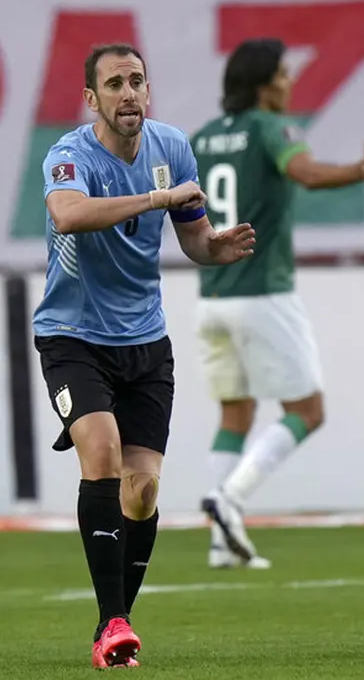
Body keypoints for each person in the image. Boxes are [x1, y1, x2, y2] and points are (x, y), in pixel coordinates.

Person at [34, 43, 255, 668]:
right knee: (100, 455)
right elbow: (68, 215)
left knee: (144, 492)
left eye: (136, 81)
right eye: (113, 84)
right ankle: (112, 623)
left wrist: (218, 247)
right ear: (91, 99)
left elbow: (192, 242)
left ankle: (115, 626)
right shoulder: (70, 156)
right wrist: (155, 201)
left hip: (145, 343)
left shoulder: (171, 148)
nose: (127, 93)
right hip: (72, 335)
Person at [192, 37, 364, 569]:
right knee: (308, 409)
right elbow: (307, 173)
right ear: (262, 83)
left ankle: (219, 544)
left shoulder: (203, 138)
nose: (290, 82)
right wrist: (356, 171)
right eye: (282, 73)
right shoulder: (271, 129)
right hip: (263, 292)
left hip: (212, 297)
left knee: (235, 412)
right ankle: (231, 500)